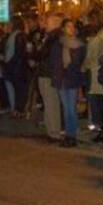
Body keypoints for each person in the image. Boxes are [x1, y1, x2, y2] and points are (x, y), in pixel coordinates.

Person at [82, 11, 103, 147]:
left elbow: (100, 54)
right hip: (94, 71)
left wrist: (87, 64)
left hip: (100, 72)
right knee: (99, 104)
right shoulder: (99, 36)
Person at [54, 19, 86, 148]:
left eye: (72, 26)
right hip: (61, 78)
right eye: (68, 26)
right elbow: (55, 61)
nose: (71, 29)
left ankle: (72, 136)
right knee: (66, 108)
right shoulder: (59, 43)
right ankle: (68, 134)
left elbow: (77, 63)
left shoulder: (79, 44)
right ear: (63, 28)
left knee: (71, 109)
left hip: (72, 79)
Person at [35, 13, 63, 142]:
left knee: (52, 103)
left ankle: (54, 132)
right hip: (44, 72)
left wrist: (39, 50)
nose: (45, 24)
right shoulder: (48, 36)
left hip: (49, 74)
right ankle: (50, 130)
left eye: (48, 22)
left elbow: (45, 54)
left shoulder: (55, 37)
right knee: (48, 103)